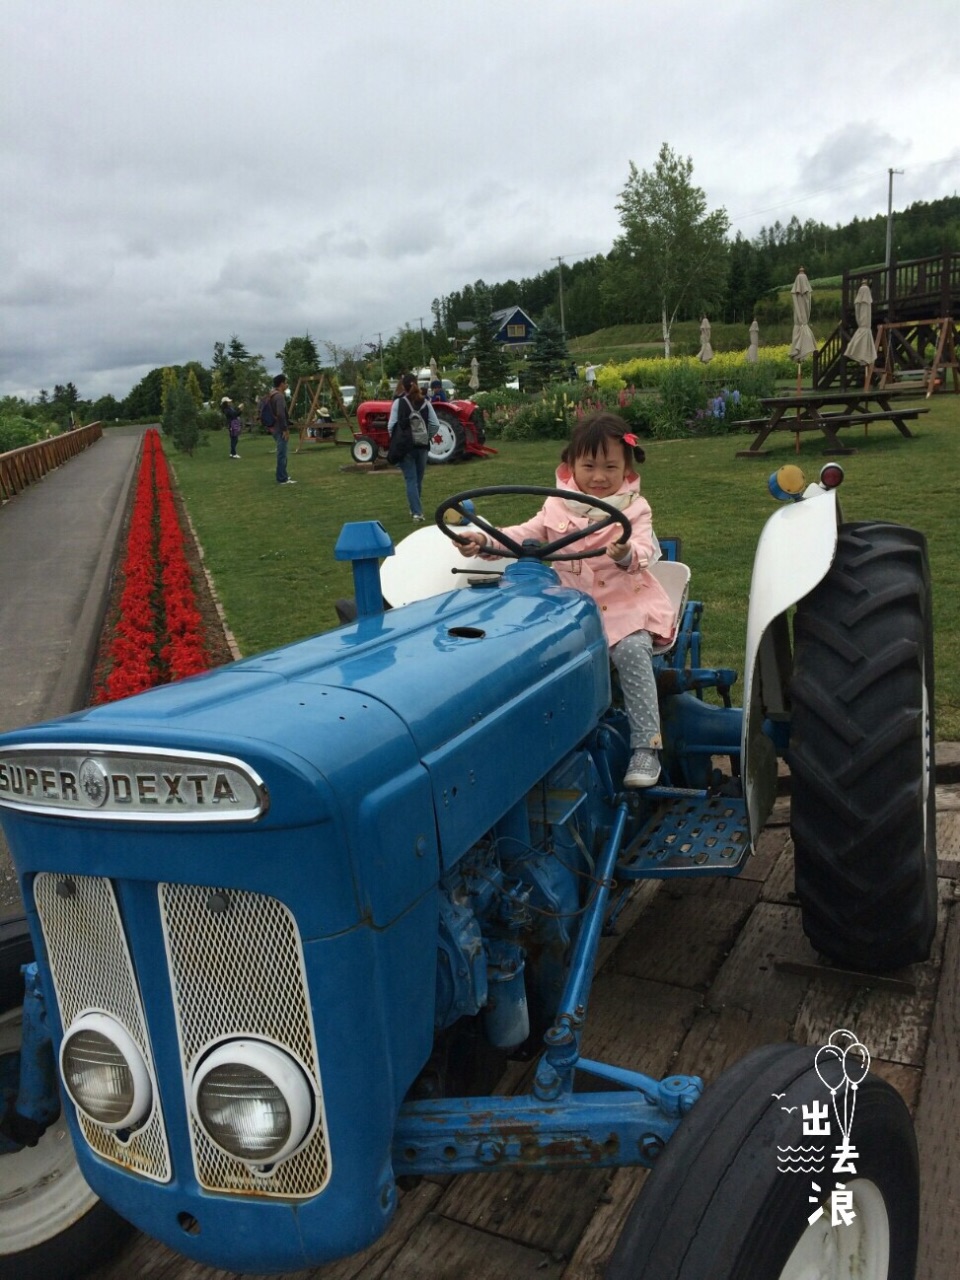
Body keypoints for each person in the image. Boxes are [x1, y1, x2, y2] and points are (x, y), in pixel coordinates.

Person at [455, 411, 674, 788]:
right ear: (570, 465)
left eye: (610, 466)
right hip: (568, 604)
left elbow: (639, 548)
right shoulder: (557, 505)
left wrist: (624, 554)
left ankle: (646, 747)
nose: (599, 477)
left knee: (632, 650)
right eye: (589, 466)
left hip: (623, 603)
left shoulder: (635, 508)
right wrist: (486, 541)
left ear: (627, 470)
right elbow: (523, 534)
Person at [387, 372, 441, 521]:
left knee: (410, 479)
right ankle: (415, 509)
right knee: (418, 480)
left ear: (403, 387)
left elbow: (391, 425)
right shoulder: (426, 403)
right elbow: (435, 424)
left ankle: (417, 513)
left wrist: (396, 440)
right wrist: (427, 437)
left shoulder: (399, 403)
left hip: (405, 447)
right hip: (422, 446)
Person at [267, 374, 295, 485]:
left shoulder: (271, 394)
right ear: (281, 384)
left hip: (274, 428)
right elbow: (281, 414)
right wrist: (285, 429)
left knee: (282, 452)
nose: (287, 384)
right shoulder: (279, 396)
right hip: (280, 428)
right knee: (282, 453)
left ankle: (283, 475)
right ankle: (282, 478)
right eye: (286, 382)